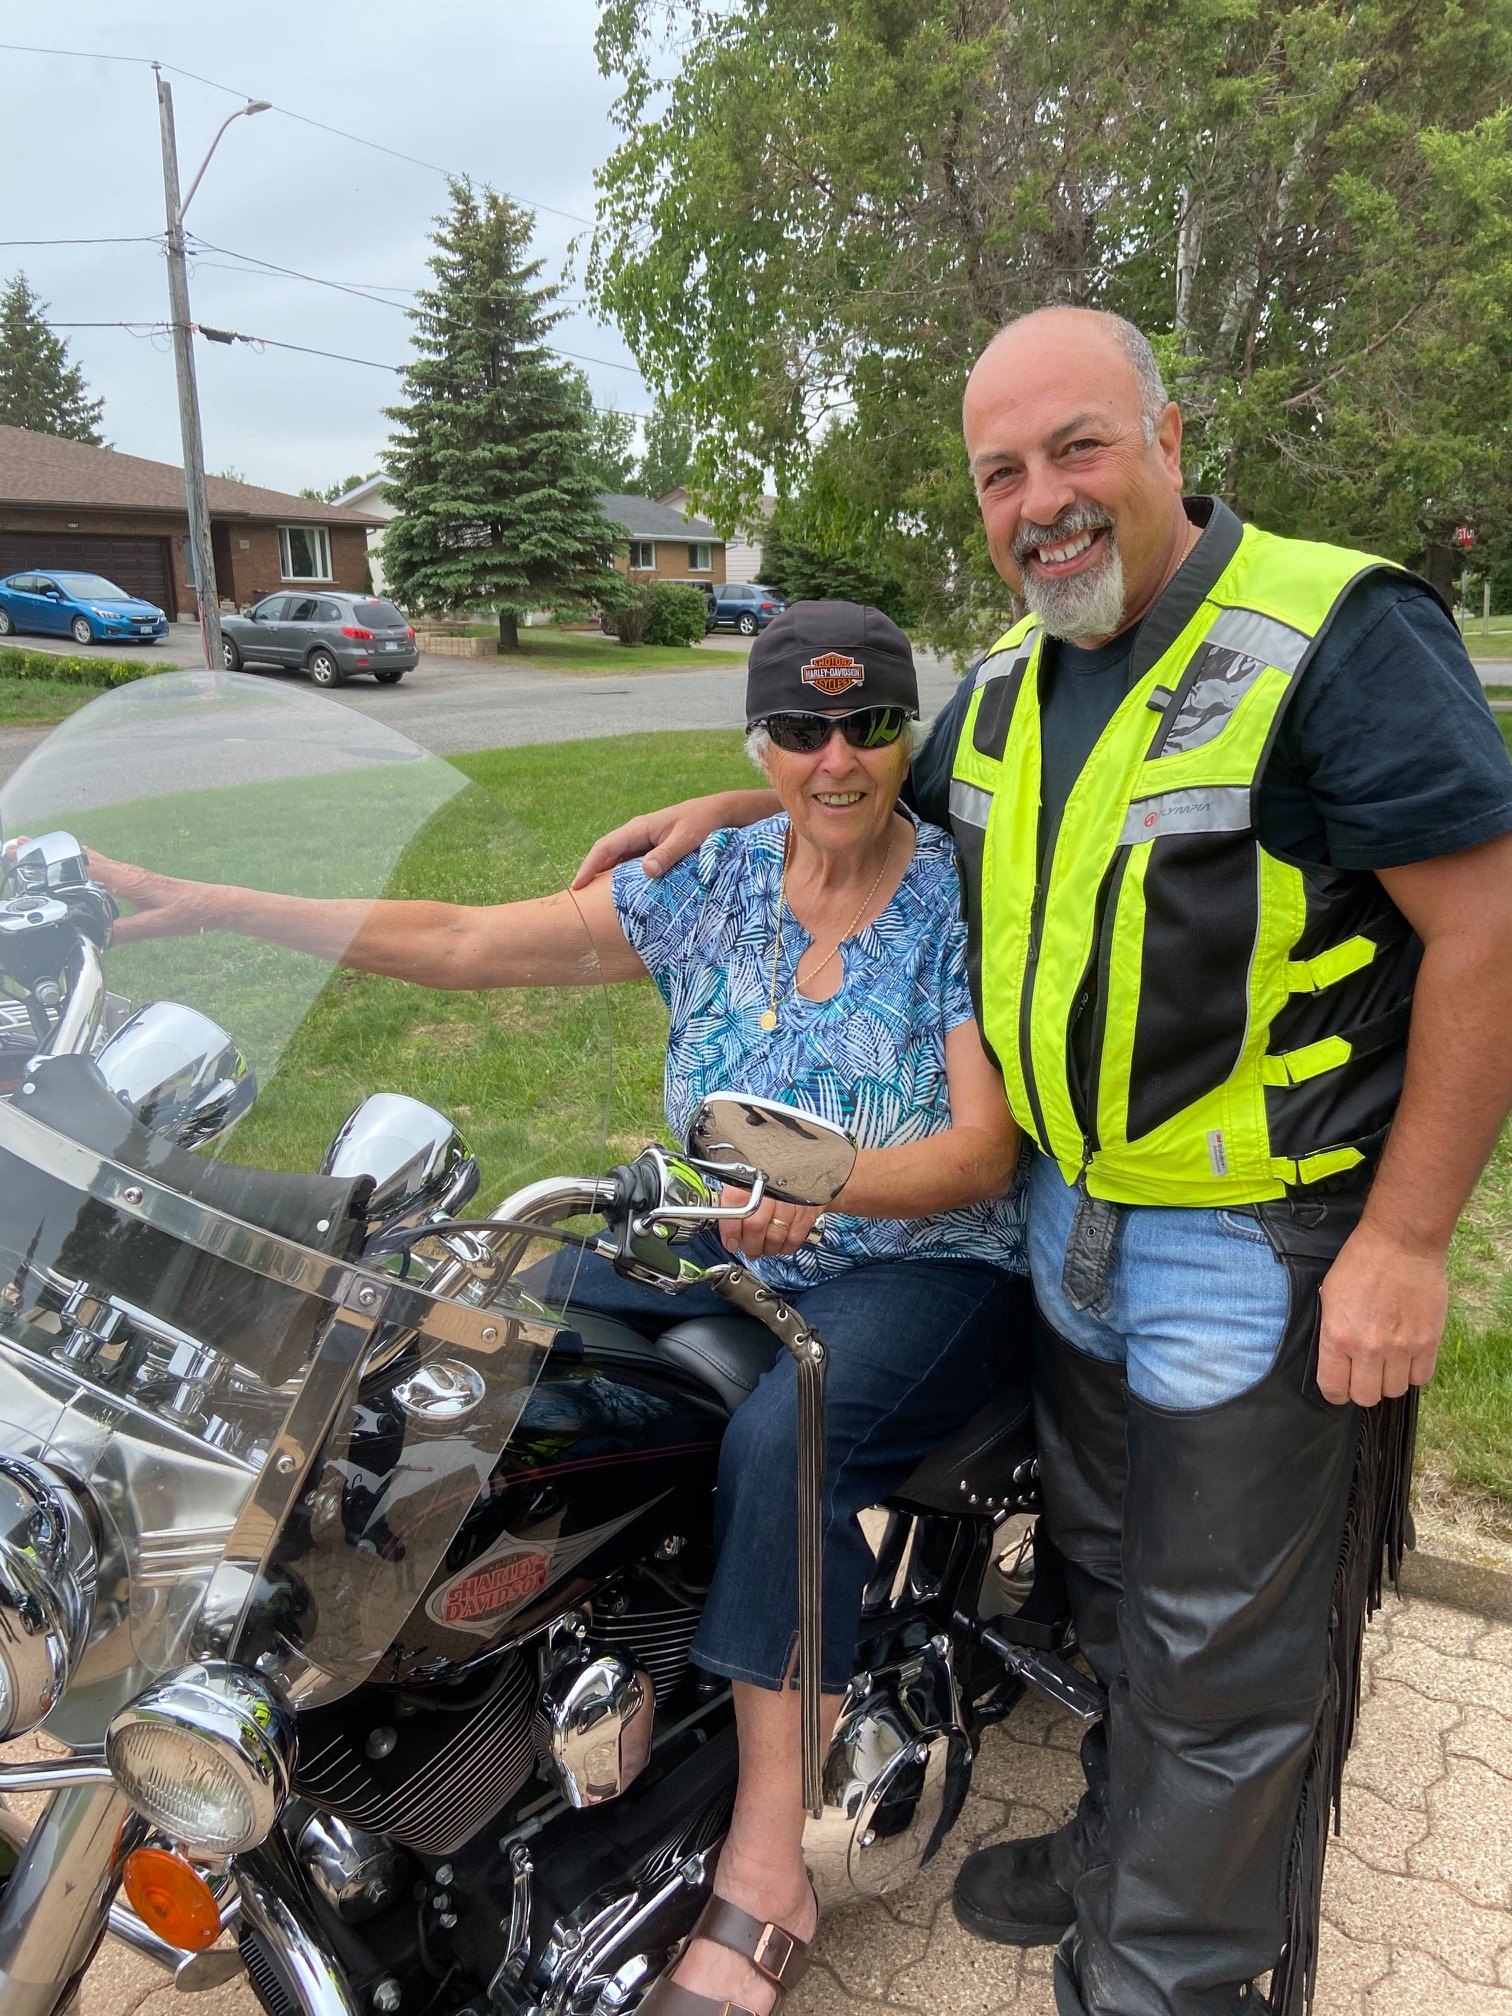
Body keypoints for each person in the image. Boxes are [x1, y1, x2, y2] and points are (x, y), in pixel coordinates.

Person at [571, 309, 1512, 2016]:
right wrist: (725, 814)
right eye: (1003, 472)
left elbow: (1489, 923)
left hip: (1257, 1229)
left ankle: (1170, 1975)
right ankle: (1118, 1852)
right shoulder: (1009, 688)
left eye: (1077, 448)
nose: (1043, 501)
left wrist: (1409, 1238)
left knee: (1227, 1655)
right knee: (1118, 1587)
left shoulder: (1333, 633)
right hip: (1065, 1217)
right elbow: (864, 805)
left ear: (1170, 435)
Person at [88, 598, 1028, 2016]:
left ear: (904, 731)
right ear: (758, 737)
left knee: (788, 1442)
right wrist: (224, 908)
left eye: (871, 725)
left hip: (931, 1264)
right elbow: (470, 939)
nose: (837, 760)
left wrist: (832, 1183)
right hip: (722, 1243)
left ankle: (766, 1865)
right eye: (798, 729)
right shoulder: (710, 881)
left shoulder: (955, 891)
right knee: (464, 1350)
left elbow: (981, 1150)